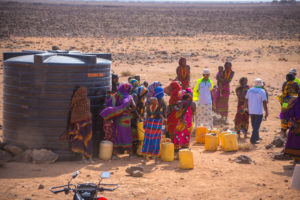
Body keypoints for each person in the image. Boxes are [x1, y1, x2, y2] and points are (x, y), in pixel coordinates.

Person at [100, 83, 136, 156]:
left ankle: (116, 152)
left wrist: (116, 111)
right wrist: (128, 110)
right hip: (126, 119)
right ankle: (129, 152)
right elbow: (134, 107)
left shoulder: (115, 96)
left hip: (117, 118)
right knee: (127, 134)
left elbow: (108, 104)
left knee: (117, 134)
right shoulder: (129, 97)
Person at [67, 87, 93, 163]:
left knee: (88, 140)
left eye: (85, 92)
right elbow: (74, 112)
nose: (84, 94)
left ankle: (89, 157)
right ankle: (83, 158)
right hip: (79, 124)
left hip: (87, 123)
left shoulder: (87, 100)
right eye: (82, 93)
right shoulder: (75, 101)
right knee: (80, 140)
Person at [142, 86, 167, 164]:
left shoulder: (150, 101)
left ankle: (147, 157)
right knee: (155, 140)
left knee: (148, 140)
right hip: (155, 124)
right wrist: (164, 119)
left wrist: (145, 122)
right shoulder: (162, 102)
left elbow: (148, 114)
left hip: (151, 124)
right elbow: (162, 114)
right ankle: (154, 157)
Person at [245, 78, 268, 144]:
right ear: (261, 84)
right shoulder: (262, 91)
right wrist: (266, 111)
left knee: (254, 125)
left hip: (251, 111)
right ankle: (252, 140)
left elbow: (246, 99)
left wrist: (245, 108)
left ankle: (257, 137)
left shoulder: (250, 90)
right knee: (256, 126)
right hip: (258, 111)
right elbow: (264, 102)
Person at [131, 86, 148, 154]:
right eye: (144, 94)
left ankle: (138, 151)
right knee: (134, 133)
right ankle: (133, 151)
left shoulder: (141, 98)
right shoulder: (135, 96)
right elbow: (134, 108)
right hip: (134, 118)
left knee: (139, 134)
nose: (144, 95)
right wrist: (139, 116)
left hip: (139, 118)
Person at [284, 91, 300, 163]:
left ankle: (296, 158)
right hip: (296, 125)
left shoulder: (293, 101)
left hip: (295, 125)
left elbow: (286, 111)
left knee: (294, 141)